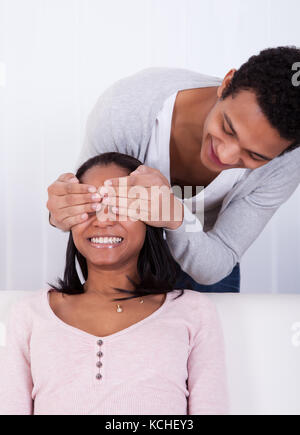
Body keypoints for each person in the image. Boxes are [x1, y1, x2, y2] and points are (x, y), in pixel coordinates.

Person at [47, 46, 300, 293]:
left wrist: (174, 216)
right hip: (128, 253)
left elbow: (219, 259)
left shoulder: (285, 163)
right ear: (226, 83)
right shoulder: (127, 109)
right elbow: (92, 214)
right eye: (227, 128)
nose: (225, 155)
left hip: (204, 254)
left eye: (254, 155)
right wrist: (65, 210)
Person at [0, 153, 229, 415]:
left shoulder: (195, 312)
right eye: (90, 206)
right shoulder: (28, 314)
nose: (104, 220)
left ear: (150, 218)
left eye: (120, 206)